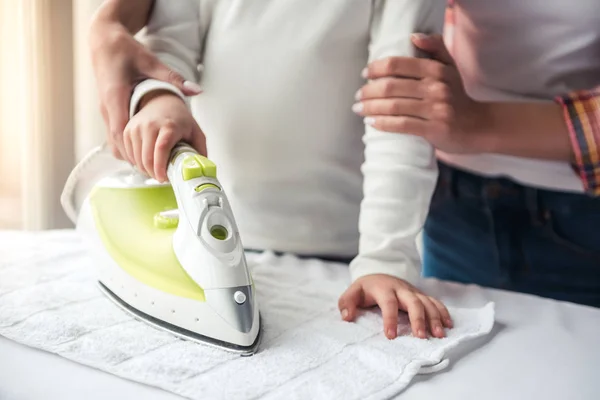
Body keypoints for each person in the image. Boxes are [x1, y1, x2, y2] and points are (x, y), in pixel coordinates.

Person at [88, 0, 454, 339]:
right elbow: (168, 49)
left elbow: (402, 109)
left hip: (347, 254)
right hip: (225, 233)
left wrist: (385, 259)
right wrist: (160, 101)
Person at [353, 1, 600, 307]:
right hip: (456, 207)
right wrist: (383, 260)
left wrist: (478, 123)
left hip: (584, 214)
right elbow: (400, 83)